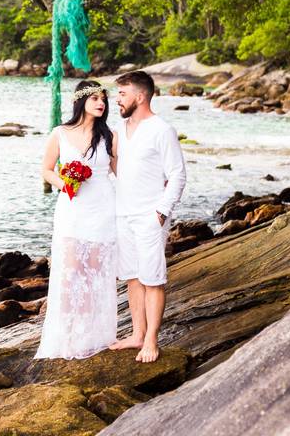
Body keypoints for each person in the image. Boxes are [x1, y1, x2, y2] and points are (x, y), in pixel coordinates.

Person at [35, 79, 119, 359]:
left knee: (97, 272)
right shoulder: (59, 133)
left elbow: (121, 175)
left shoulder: (110, 136)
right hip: (72, 209)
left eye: (103, 99)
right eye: (95, 98)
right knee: (71, 274)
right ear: (81, 101)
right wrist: (65, 183)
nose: (101, 103)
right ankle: (69, 337)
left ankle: (94, 336)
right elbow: (46, 170)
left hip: (103, 208)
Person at [109, 70, 186, 362]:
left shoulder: (161, 129)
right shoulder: (120, 127)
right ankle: (137, 334)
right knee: (132, 277)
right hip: (123, 214)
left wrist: (161, 213)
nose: (117, 99)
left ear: (140, 96)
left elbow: (178, 175)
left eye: (122, 93)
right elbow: (116, 165)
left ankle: (151, 340)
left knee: (152, 278)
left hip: (149, 215)